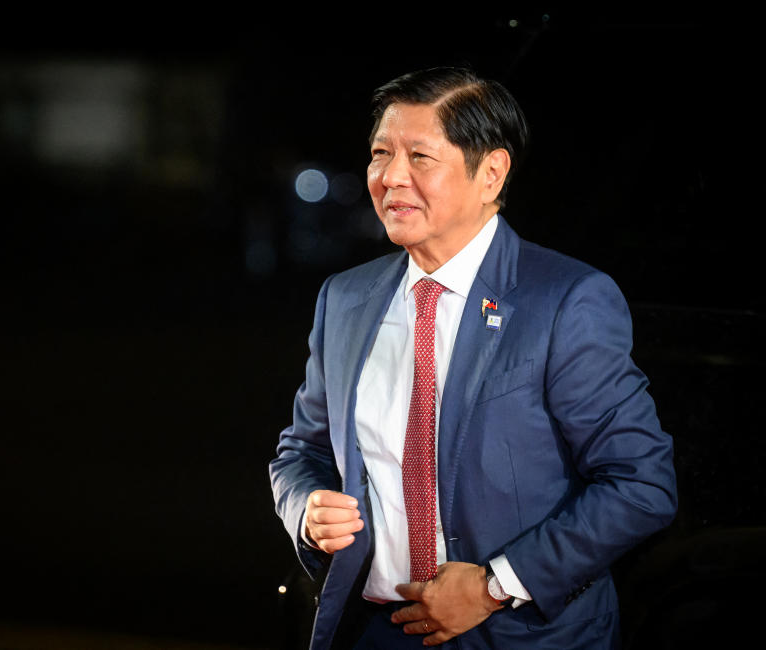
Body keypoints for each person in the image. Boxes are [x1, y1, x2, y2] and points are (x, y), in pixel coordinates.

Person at [269, 67, 677, 649]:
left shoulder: (564, 300)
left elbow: (642, 484)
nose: (390, 177)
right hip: (371, 630)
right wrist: (306, 507)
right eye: (380, 153)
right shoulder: (345, 298)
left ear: (491, 172)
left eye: (420, 157)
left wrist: (493, 585)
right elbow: (301, 449)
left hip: (520, 632)